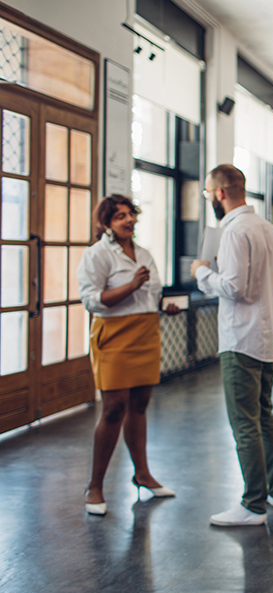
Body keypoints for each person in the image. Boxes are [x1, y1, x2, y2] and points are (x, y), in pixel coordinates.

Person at [190, 164, 273, 527]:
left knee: (244, 421)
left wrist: (201, 270)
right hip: (268, 335)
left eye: (207, 194)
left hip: (241, 337)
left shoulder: (233, 232)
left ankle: (252, 504)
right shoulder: (267, 228)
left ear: (219, 193)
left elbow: (234, 288)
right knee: (264, 414)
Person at [77, 195, 178, 516]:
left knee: (140, 405)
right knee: (113, 408)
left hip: (146, 333)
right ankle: (95, 485)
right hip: (114, 336)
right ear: (105, 223)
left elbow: (153, 296)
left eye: (131, 214)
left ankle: (143, 474)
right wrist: (133, 285)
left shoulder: (145, 254)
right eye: (120, 216)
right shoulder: (96, 255)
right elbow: (92, 300)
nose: (128, 220)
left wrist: (166, 306)